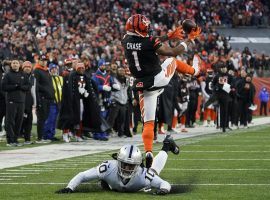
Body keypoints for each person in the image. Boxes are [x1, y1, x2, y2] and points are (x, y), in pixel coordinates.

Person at [122, 14, 201, 167]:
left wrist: (168, 36)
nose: (147, 31)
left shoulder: (125, 40)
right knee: (172, 61)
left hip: (142, 85)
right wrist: (189, 39)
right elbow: (172, 51)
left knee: (148, 122)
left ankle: (149, 151)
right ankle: (194, 71)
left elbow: (149, 43)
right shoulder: (149, 41)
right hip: (157, 78)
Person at [56, 135, 179, 195]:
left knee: (153, 171)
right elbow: (82, 175)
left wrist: (163, 190)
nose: (126, 168)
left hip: (141, 182)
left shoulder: (144, 176)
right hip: (113, 181)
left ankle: (167, 145)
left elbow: (165, 184)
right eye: (124, 164)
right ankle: (167, 143)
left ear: (138, 165)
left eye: (131, 166)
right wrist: (70, 187)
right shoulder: (108, 167)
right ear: (118, 161)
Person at [1, 59, 31, 146]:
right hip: (11, 101)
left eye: (16, 63)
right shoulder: (7, 75)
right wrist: (15, 86)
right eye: (13, 63)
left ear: (19, 65)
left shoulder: (23, 75)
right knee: (10, 121)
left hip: (21, 101)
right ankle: (10, 141)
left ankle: (15, 139)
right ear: (11, 65)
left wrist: (21, 87)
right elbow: (3, 87)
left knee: (19, 121)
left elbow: (28, 86)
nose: (15, 64)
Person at [33, 54, 55, 143]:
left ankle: (42, 136)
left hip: (48, 98)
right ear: (38, 61)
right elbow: (36, 86)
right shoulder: (37, 71)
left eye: (45, 60)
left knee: (44, 118)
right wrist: (39, 99)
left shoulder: (46, 70)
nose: (44, 62)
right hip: (42, 98)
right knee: (41, 118)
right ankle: (40, 138)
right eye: (42, 60)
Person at [20, 61, 36, 144]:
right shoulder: (19, 76)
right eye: (25, 67)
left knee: (29, 120)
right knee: (20, 120)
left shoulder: (33, 77)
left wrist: (35, 102)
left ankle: (27, 139)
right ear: (22, 68)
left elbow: (33, 91)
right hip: (20, 101)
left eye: (29, 67)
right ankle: (14, 138)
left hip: (29, 102)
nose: (27, 68)